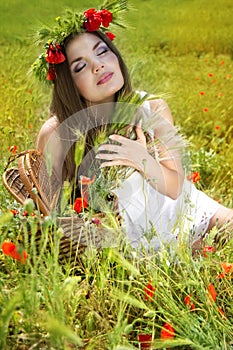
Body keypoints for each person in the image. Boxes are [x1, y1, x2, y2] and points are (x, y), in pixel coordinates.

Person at [33, 1, 233, 254]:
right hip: (124, 242)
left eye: (102, 51)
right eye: (80, 66)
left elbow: (175, 188)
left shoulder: (153, 109)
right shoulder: (57, 133)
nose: (98, 65)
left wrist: (142, 159)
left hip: (184, 214)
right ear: (68, 84)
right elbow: (47, 212)